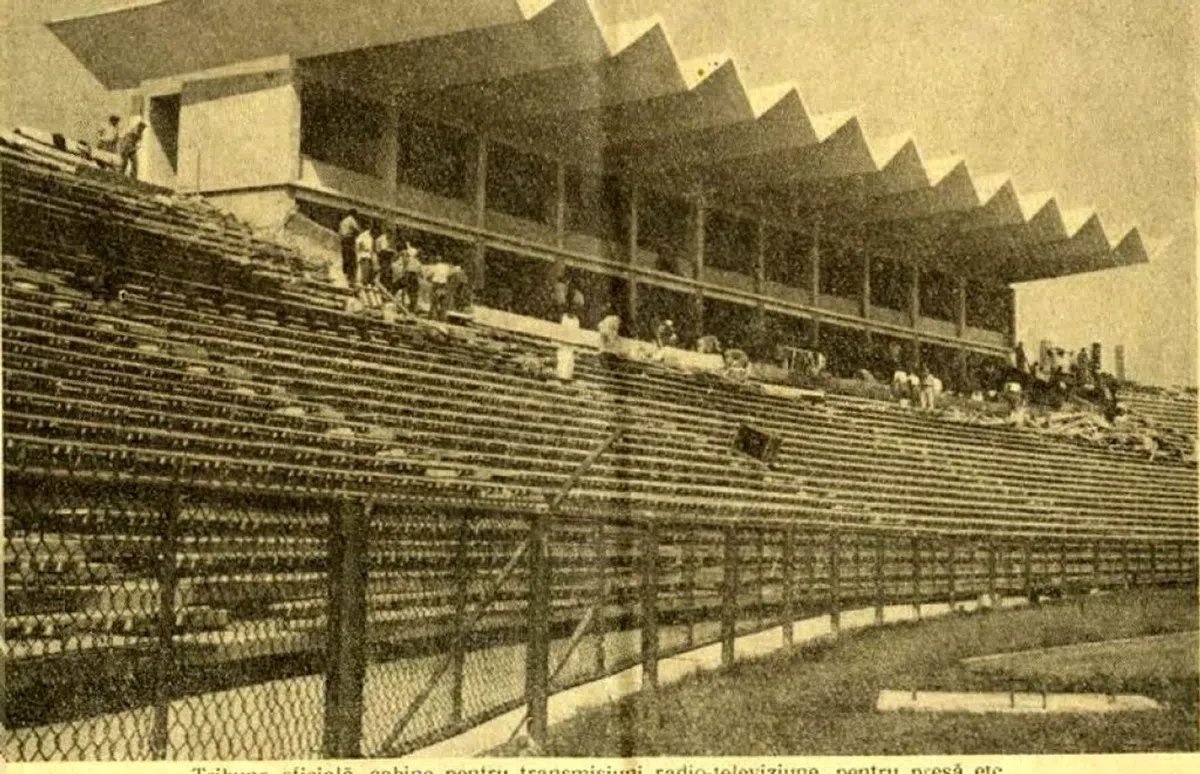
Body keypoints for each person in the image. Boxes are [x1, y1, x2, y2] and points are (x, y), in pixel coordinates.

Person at [355, 223, 380, 307]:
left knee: (370, 271)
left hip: (369, 256)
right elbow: (357, 243)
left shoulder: (372, 238)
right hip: (363, 255)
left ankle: (367, 284)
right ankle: (363, 284)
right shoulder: (364, 235)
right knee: (364, 271)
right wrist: (362, 247)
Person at [338, 210, 361, 289]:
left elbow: (340, 232)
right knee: (352, 259)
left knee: (345, 257)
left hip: (343, 240)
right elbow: (357, 229)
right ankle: (350, 278)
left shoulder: (343, 221)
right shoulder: (351, 219)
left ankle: (345, 273)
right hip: (349, 239)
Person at [556, 307, 580, 381]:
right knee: (562, 359)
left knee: (569, 360)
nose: (572, 311)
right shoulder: (564, 317)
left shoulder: (576, 320)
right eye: (571, 309)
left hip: (571, 344)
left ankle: (567, 377)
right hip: (563, 343)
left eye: (574, 310)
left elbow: (576, 332)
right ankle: (560, 376)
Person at [427, 255, 453, 320]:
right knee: (442, 301)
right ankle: (442, 317)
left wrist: (429, 278)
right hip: (443, 284)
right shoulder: (446, 267)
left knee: (434, 300)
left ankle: (431, 316)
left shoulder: (434, 267)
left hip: (436, 284)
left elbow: (429, 275)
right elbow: (450, 274)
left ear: (436, 261)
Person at [375, 226, 397, 295]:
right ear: (388, 233)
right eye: (390, 235)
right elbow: (384, 250)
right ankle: (384, 286)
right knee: (386, 271)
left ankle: (385, 286)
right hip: (383, 256)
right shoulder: (383, 238)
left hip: (383, 256)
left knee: (387, 272)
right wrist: (392, 251)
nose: (390, 237)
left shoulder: (384, 238)